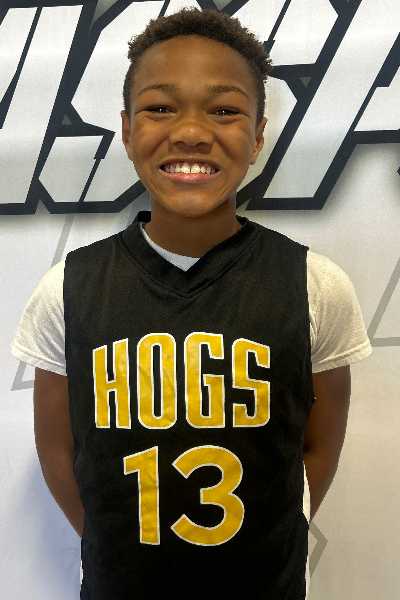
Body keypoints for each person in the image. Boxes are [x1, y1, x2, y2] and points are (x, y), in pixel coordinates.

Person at [11, 8, 372, 600]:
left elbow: (316, 450)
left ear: (258, 135)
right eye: (160, 107)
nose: (191, 132)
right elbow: (58, 451)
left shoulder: (315, 285)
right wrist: (122, 549)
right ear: (127, 130)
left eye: (224, 110)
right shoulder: (68, 288)